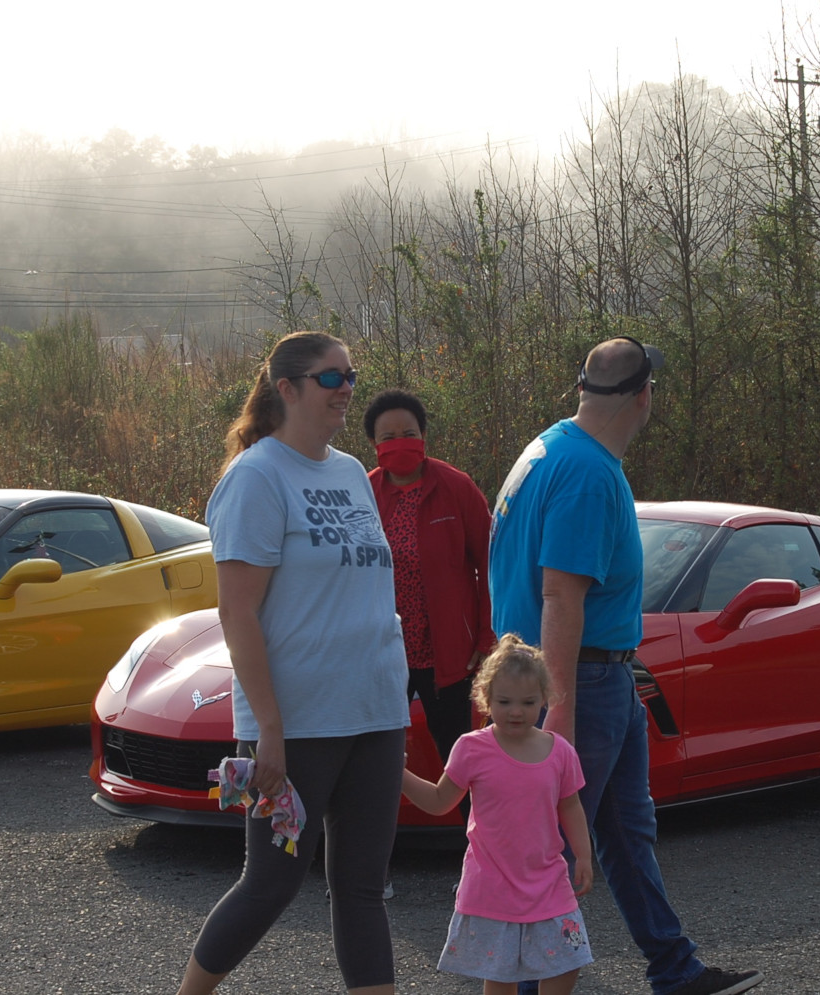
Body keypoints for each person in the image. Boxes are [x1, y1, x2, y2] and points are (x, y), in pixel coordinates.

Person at [487, 337, 763, 995]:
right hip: (577, 679)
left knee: (624, 829)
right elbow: (560, 595)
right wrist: (559, 717)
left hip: (593, 674)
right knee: (551, 848)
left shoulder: (551, 445)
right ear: (643, 395)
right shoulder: (587, 472)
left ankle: (675, 965)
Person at [179, 331, 408, 995]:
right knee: (271, 883)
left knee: (364, 887)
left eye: (351, 377)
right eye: (330, 378)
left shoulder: (347, 473)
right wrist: (267, 728)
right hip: (297, 723)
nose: (346, 391)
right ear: (287, 388)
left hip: (373, 711)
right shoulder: (256, 478)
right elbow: (237, 613)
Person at [401, 633, 595, 995]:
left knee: (570, 960)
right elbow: (441, 800)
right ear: (486, 699)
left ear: (544, 699)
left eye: (528, 701)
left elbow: (570, 804)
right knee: (501, 972)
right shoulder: (472, 748)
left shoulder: (560, 751)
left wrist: (583, 854)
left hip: (548, 880)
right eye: (504, 701)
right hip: (492, 883)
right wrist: (398, 775)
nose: (516, 711)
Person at [363, 389, 495, 773]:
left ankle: (476, 833)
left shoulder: (456, 487)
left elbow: (490, 563)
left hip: (449, 653)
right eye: (388, 437)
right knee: (376, 758)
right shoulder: (363, 492)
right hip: (384, 653)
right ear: (373, 444)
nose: (399, 443)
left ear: (423, 436)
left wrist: (486, 635)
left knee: (460, 758)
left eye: (409, 433)